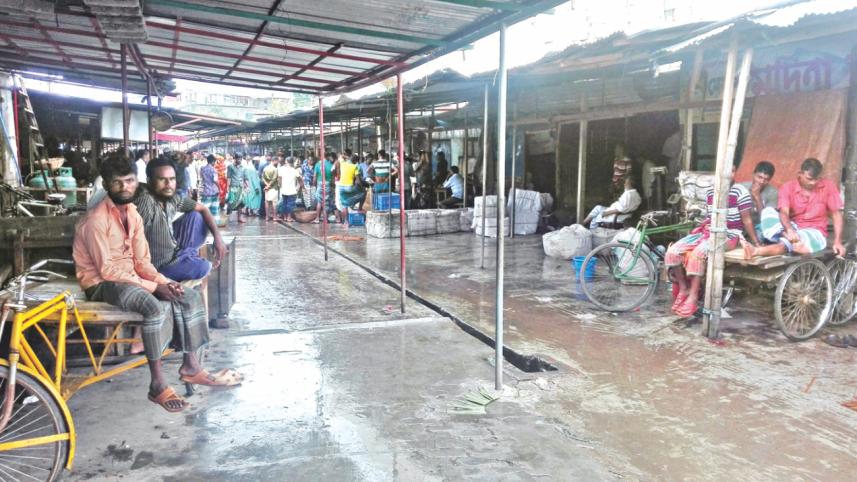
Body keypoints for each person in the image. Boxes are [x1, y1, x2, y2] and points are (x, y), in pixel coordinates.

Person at [73, 151, 241, 414]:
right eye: (117, 182)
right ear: (106, 184)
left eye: (129, 181)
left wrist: (164, 282)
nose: (124, 187)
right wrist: (153, 287)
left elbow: (143, 262)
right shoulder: (96, 220)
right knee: (152, 305)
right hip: (101, 283)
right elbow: (108, 270)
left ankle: (191, 366)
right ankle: (157, 384)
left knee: (187, 295)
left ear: (135, 181)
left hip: (132, 276)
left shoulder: (133, 214)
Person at [666, 166, 756, 317]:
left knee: (697, 254)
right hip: (708, 232)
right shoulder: (710, 192)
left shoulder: (740, 192)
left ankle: (693, 296)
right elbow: (710, 218)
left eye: (732, 171)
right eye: (725, 169)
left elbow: (747, 220)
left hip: (730, 235)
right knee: (672, 252)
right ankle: (683, 288)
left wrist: (756, 241)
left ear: (735, 173)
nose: (728, 174)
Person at [136, 156, 228, 282]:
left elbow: (203, 209)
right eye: (162, 179)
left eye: (172, 179)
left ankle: (186, 256)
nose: (168, 184)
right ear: (149, 181)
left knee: (197, 216)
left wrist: (218, 237)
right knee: (204, 267)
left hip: (172, 252)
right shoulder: (145, 201)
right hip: (157, 265)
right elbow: (132, 241)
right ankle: (186, 258)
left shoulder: (172, 198)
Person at [742, 158, 845, 259]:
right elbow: (784, 212)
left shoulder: (828, 186)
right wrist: (789, 229)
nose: (813, 182)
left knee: (792, 244)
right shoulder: (787, 187)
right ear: (799, 174)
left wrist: (837, 242)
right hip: (792, 227)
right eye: (809, 179)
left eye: (817, 179)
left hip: (815, 231)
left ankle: (756, 251)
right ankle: (787, 237)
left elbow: (836, 215)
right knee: (768, 211)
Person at [738, 161, 778, 235]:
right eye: (759, 177)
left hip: (759, 227)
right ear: (753, 174)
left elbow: (766, 219)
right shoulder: (741, 187)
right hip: (740, 226)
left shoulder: (773, 193)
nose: (762, 181)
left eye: (766, 179)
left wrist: (757, 197)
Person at [336, 153, 365, 227]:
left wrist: (348, 157)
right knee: (363, 193)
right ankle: (359, 208)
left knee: (344, 205)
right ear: (355, 161)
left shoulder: (343, 163)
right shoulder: (355, 166)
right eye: (356, 161)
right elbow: (358, 181)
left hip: (341, 187)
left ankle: (346, 222)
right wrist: (362, 187)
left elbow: (340, 156)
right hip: (349, 187)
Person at [313, 152, 336, 223]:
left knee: (319, 202)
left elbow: (315, 176)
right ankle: (325, 219)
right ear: (328, 156)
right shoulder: (330, 165)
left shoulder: (317, 164)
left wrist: (314, 184)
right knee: (326, 202)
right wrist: (333, 185)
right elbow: (333, 177)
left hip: (320, 183)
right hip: (328, 183)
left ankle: (317, 218)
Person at [279, 157, 303, 222]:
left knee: (284, 203)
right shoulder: (294, 171)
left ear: (287, 162)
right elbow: (299, 179)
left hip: (284, 190)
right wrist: (303, 187)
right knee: (290, 204)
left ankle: (285, 217)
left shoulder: (282, 170)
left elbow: (279, 179)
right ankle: (289, 217)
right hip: (291, 190)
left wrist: (280, 186)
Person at [200, 155, 221, 225]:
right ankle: (214, 224)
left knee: (205, 209)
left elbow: (202, 178)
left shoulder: (202, 169)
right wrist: (219, 188)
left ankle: (203, 222)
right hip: (214, 191)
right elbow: (215, 180)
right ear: (213, 161)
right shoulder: (213, 170)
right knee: (214, 209)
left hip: (205, 191)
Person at [226, 154, 247, 223]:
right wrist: (227, 187)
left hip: (240, 187)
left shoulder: (243, 167)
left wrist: (247, 186)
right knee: (231, 202)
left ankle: (239, 217)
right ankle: (227, 216)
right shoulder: (230, 167)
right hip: (233, 187)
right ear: (235, 159)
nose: (240, 160)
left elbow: (245, 178)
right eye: (238, 159)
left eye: (241, 159)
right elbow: (229, 177)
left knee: (241, 203)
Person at [262, 156, 280, 222]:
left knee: (267, 202)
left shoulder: (265, 168)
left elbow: (262, 178)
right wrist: (269, 185)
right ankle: (274, 216)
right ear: (274, 161)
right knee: (274, 203)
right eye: (277, 161)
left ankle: (267, 216)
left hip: (267, 189)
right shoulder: (275, 169)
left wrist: (266, 185)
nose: (277, 162)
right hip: (273, 188)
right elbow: (274, 179)